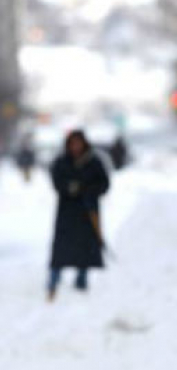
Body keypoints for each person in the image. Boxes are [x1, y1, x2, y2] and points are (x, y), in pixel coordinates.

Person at [47, 129, 110, 301]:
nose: (75, 147)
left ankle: (81, 281)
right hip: (67, 212)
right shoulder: (61, 162)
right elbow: (57, 181)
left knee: (85, 248)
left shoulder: (94, 162)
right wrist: (70, 188)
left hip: (87, 212)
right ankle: (53, 279)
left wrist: (87, 190)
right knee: (61, 248)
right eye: (72, 143)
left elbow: (104, 184)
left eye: (78, 143)